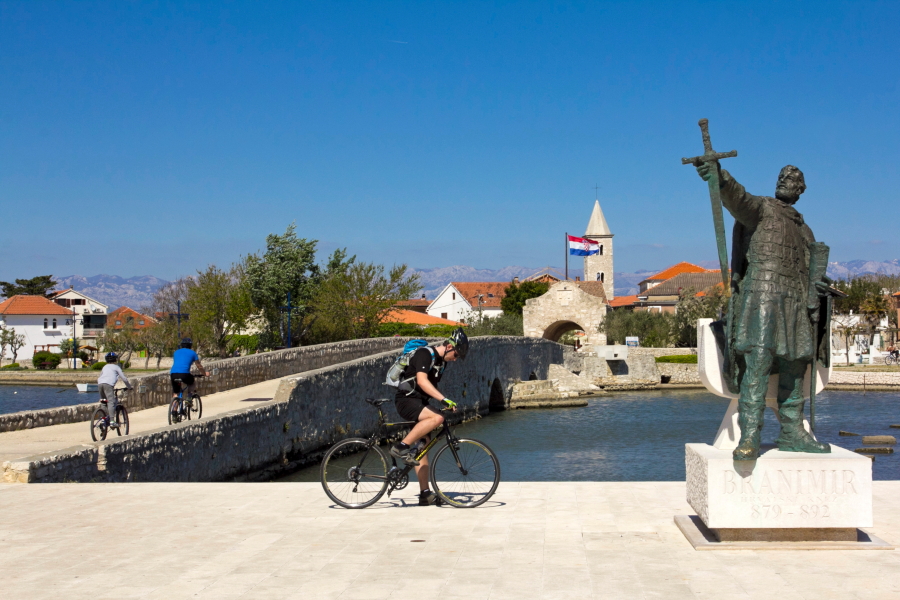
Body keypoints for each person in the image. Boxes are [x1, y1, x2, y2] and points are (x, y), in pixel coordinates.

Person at [696, 162, 830, 460]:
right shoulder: (762, 209)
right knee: (757, 361)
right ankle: (750, 435)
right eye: (782, 176)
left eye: (793, 178)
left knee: (796, 363)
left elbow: (811, 272)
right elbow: (737, 197)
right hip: (764, 293)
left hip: (796, 301)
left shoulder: (804, 229)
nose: (785, 180)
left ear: (800, 190)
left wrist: (819, 288)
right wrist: (720, 175)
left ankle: (792, 431)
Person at [389, 328, 469, 505]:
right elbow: (422, 381)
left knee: (423, 448)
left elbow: (430, 388)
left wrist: (444, 402)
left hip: (420, 403)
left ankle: (425, 494)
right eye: (456, 354)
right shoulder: (425, 354)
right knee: (438, 418)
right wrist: (443, 399)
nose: (456, 359)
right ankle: (400, 447)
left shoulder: (442, 363)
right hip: (406, 401)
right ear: (449, 346)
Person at [97, 352, 132, 427]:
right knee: (111, 402)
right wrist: (129, 387)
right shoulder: (116, 367)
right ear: (115, 359)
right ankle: (112, 421)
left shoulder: (105, 367)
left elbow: (100, 376)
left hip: (100, 384)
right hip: (108, 385)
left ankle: (104, 419)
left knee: (103, 401)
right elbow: (124, 378)